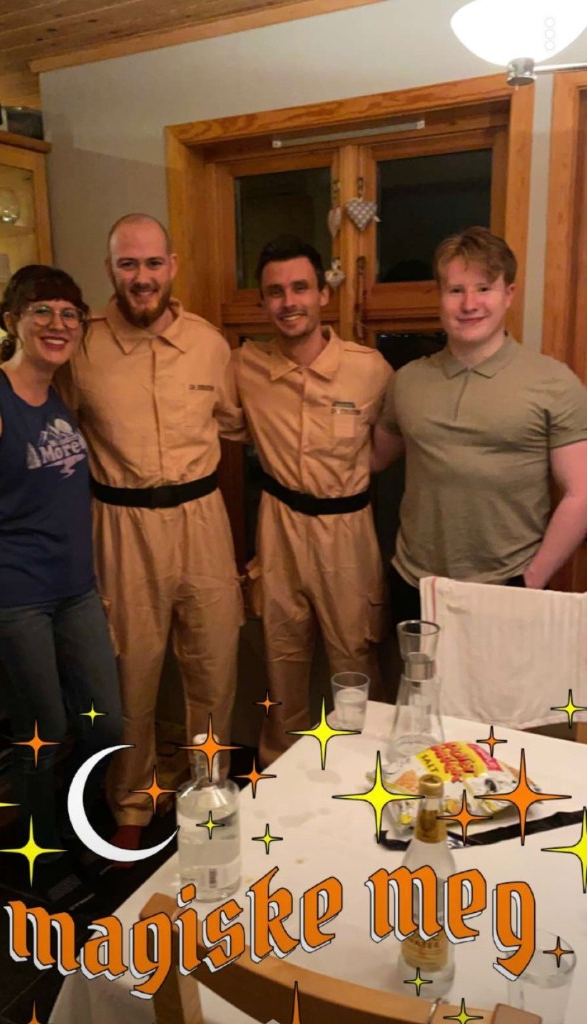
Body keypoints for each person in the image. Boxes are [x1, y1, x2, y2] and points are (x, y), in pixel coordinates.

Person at [59, 213, 243, 852]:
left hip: (202, 518)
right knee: (130, 672)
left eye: (153, 263)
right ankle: (133, 797)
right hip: (120, 524)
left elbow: (236, 423)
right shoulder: (81, 346)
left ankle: (207, 786)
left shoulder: (209, 344)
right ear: (110, 269)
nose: (142, 277)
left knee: (214, 665)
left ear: (173, 266)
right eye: (128, 264)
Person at [0, 265, 122, 903]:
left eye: (69, 314)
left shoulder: (59, 392)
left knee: (104, 724)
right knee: (42, 731)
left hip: (75, 590)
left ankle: (76, 827)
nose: (58, 324)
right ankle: (42, 856)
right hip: (13, 598)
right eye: (42, 312)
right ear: (11, 321)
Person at [228, 236, 392, 766]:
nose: (288, 302)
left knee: (355, 659)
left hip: (347, 529)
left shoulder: (370, 369)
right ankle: (279, 770)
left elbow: (390, 444)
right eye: (275, 292)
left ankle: (367, 771)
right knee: (282, 659)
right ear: (262, 302)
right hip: (278, 525)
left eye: (300, 288)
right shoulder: (244, 367)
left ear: (323, 294)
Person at [372, 226, 587, 623]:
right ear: (440, 297)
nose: (469, 304)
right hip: (415, 584)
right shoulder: (407, 381)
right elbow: (373, 458)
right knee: (416, 670)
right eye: (456, 290)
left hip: (508, 587)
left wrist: (531, 581)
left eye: (484, 288)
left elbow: (581, 493)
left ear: (509, 294)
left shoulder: (554, 383)